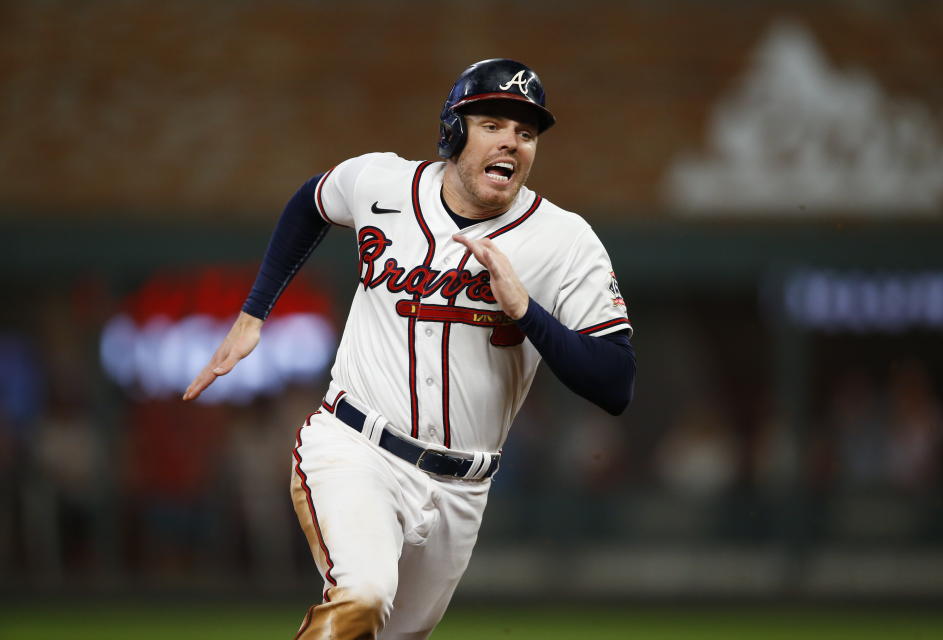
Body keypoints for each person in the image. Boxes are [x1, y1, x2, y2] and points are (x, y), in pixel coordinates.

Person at [183, 58, 635, 640]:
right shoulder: (382, 184)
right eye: (493, 123)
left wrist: (525, 311)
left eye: (526, 133)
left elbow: (615, 383)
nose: (512, 143)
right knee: (362, 600)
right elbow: (312, 201)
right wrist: (254, 313)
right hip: (356, 445)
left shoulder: (566, 241)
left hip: (462, 488)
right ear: (453, 131)